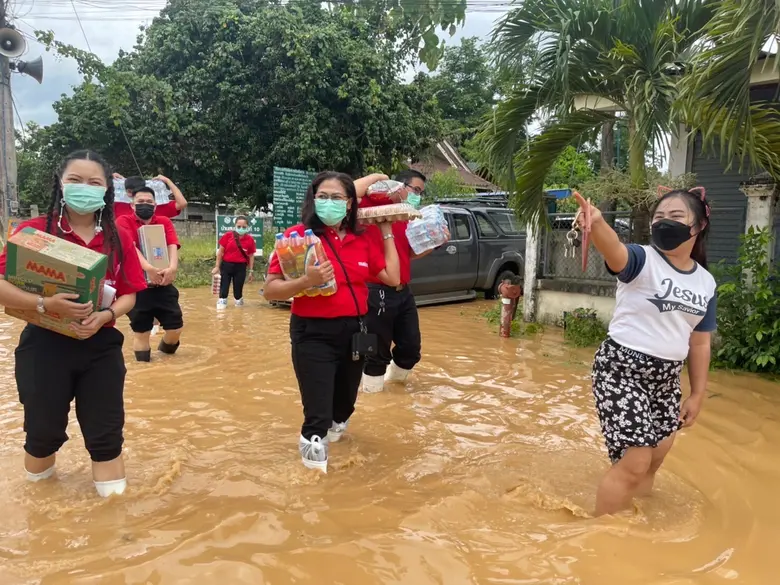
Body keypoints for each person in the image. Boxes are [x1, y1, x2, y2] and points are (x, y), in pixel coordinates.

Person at [0, 150, 146, 497]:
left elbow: (129, 294)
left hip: (101, 347)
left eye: (94, 182)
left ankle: (116, 524)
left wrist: (105, 316)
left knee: (106, 436)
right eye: (75, 180)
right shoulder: (33, 233)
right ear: (60, 184)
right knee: (42, 432)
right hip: (44, 346)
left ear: (107, 190)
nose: (85, 188)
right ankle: (40, 512)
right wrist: (43, 303)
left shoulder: (118, 237)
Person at [573, 188, 717, 516]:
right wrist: (596, 224)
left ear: (699, 226)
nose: (665, 223)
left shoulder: (706, 283)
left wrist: (697, 394)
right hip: (622, 368)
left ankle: (638, 521)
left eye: (676, 217)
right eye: (659, 218)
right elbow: (616, 252)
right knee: (636, 460)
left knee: (654, 460)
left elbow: (700, 342)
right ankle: (603, 535)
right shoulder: (643, 259)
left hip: (666, 379)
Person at [263, 171, 400, 472]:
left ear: (350, 203)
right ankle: (315, 485)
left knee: (344, 406)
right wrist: (305, 280)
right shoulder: (295, 239)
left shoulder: (361, 240)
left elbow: (394, 277)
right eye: (322, 196)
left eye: (337, 197)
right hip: (312, 334)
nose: (329, 203)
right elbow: (270, 290)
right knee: (318, 415)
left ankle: (335, 434)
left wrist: (387, 231)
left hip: (355, 332)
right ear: (312, 200)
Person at [360, 169, 446, 393]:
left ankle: (394, 388)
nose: (417, 195)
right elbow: (347, 191)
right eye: (415, 189)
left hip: (402, 291)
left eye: (421, 192)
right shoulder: (369, 206)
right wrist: (377, 177)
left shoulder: (404, 217)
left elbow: (408, 254)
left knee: (411, 348)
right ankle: (371, 396)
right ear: (398, 186)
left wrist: (435, 243)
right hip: (374, 289)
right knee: (373, 352)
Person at [116, 186, 184, 362]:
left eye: (149, 202)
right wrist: (148, 268)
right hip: (136, 285)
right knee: (142, 331)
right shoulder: (123, 221)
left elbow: (172, 244)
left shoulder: (163, 222)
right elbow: (129, 246)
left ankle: (166, 359)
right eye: (140, 202)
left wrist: (172, 267)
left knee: (175, 328)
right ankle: (145, 367)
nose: (144, 205)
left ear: (155, 205)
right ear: (132, 205)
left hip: (162, 283)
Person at [213, 216, 256, 309]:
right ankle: (221, 308)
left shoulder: (250, 240)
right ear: (235, 226)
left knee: (238, 292)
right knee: (223, 290)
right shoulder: (227, 236)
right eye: (239, 226)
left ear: (248, 227)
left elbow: (251, 255)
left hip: (240, 268)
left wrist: (251, 271)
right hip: (226, 266)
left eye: (244, 227)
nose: (241, 229)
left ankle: (239, 310)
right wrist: (217, 266)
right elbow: (220, 252)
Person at [112, 173, 188, 219]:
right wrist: (107, 178)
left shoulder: (156, 206)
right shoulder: (119, 205)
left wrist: (167, 181)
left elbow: (182, 203)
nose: (133, 195)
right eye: (130, 192)